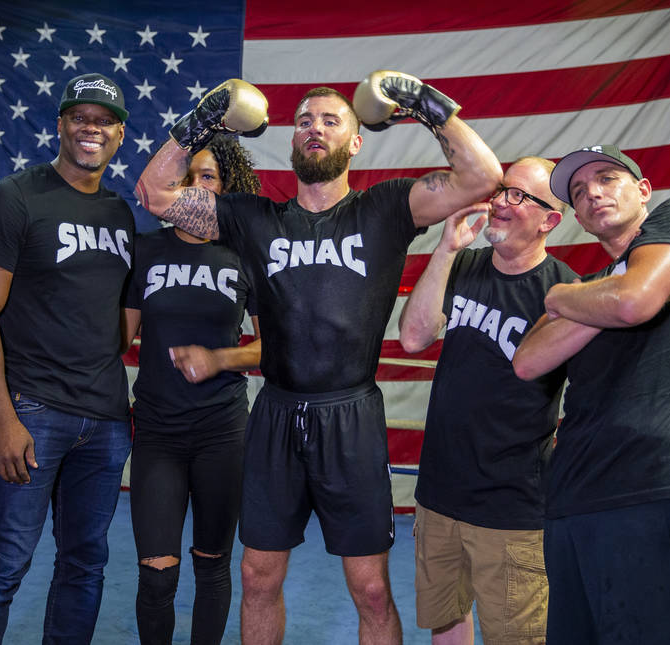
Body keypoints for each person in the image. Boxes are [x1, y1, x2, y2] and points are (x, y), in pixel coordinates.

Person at [136, 73, 502, 644]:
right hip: (276, 415)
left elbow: (482, 176)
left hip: (350, 418)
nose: (315, 128)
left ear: (356, 142)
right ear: (291, 141)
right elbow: (155, 194)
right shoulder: (253, 218)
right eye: (305, 121)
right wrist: (202, 120)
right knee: (257, 577)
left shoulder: (385, 208)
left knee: (372, 588)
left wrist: (418, 102)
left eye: (332, 121)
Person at [512, 145, 670, 644]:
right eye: (577, 191)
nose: (591, 191)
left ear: (643, 190)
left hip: (653, 485)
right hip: (570, 495)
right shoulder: (591, 284)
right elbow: (527, 361)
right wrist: (621, 292)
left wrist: (559, 296)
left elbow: (634, 302)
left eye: (607, 178)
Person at [0, 73, 134, 644]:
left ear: (120, 134)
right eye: (80, 116)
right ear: (59, 124)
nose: (91, 129)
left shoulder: (121, 214)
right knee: (2, 566)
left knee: (85, 567)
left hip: (104, 419)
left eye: (104, 120)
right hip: (32, 412)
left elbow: (122, 325)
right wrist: (3, 418)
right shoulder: (14, 198)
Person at [398, 157, 576, 644]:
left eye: (519, 196)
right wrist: (446, 249)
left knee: (516, 637)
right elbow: (413, 337)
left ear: (550, 221)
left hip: (512, 506)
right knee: (446, 621)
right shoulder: (467, 265)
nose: (500, 202)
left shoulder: (565, 293)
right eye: (501, 190)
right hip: (440, 493)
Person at [126, 134, 262, 645]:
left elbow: (276, 348)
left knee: (212, 566)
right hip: (158, 432)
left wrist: (219, 359)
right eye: (185, 178)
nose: (194, 188)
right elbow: (118, 336)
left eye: (207, 178)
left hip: (222, 432)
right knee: (156, 574)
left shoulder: (244, 253)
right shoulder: (145, 251)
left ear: (226, 190)